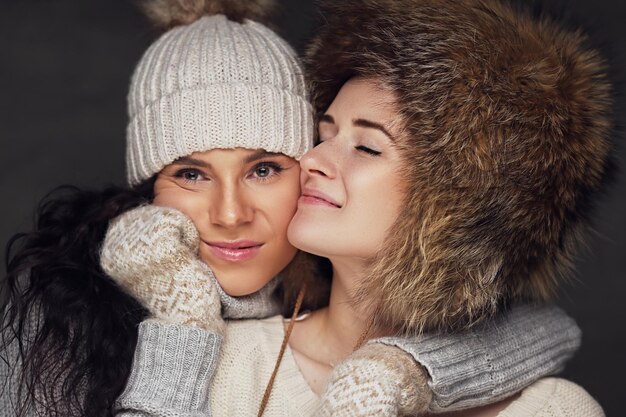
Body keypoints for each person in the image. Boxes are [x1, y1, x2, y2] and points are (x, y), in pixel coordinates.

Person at [0, 1, 584, 416]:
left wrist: (398, 371)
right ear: (147, 188)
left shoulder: (538, 391)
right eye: (190, 173)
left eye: (265, 168)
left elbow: (537, 327)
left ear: (452, 200)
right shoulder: (75, 321)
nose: (230, 213)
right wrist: (182, 317)